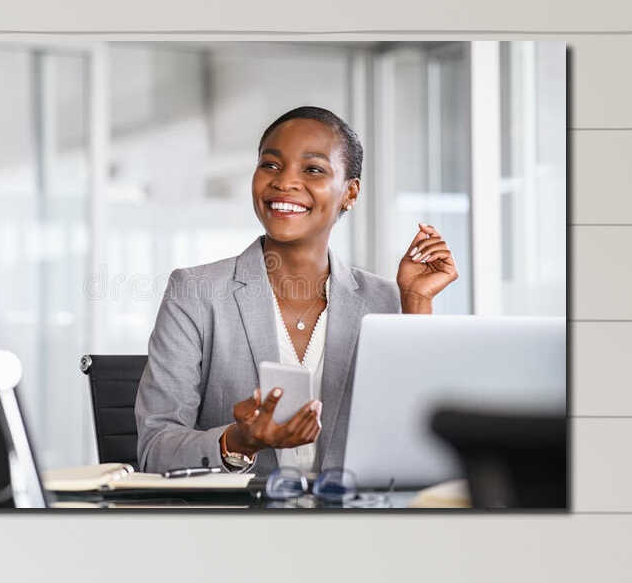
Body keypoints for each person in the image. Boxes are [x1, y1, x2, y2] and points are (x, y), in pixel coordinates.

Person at [133, 105, 458, 474]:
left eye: (313, 169)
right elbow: (154, 450)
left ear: (350, 193)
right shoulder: (194, 294)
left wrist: (416, 302)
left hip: (358, 525)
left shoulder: (385, 301)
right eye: (270, 165)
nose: (284, 182)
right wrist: (238, 442)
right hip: (238, 526)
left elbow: (422, 443)